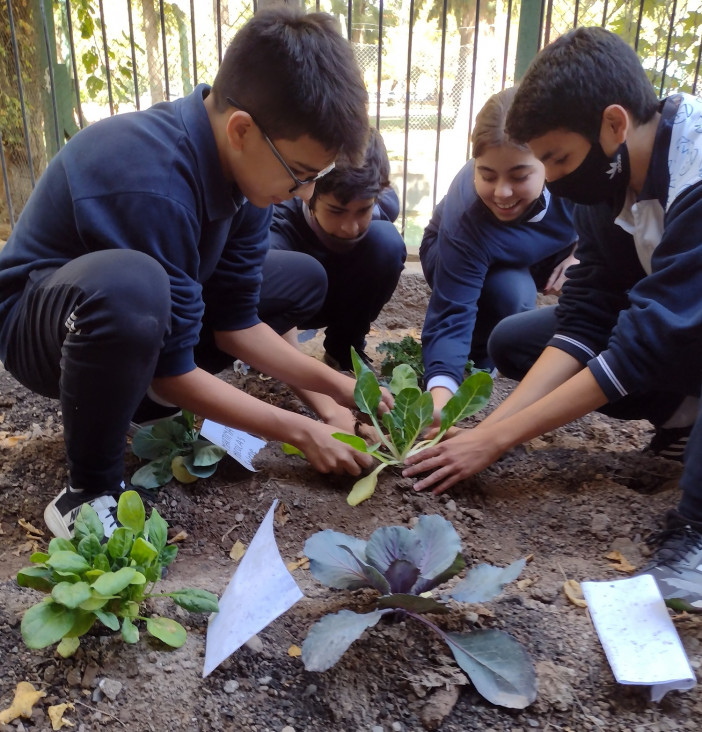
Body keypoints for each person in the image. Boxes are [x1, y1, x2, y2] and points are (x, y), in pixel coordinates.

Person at [0, 8, 385, 540]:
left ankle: (136, 395)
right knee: (135, 289)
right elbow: (169, 370)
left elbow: (235, 322)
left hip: (135, 309)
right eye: (300, 174)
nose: (303, 194)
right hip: (43, 325)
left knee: (301, 277)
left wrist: (343, 389)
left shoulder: (245, 170)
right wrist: (301, 431)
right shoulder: (148, 177)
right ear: (242, 129)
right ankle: (88, 493)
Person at [403, 27, 702, 608]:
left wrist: (500, 437)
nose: (551, 177)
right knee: (516, 341)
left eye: (556, 159)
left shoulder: (695, 172)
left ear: (614, 125)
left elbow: (648, 340)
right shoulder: (604, 187)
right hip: (680, 333)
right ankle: (685, 415)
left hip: (685, 329)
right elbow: (588, 316)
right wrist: (490, 432)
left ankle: (695, 537)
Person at [419, 87, 577, 412]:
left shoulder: (575, 180)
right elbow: (451, 311)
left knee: (587, 279)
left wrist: (581, 252)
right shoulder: (467, 213)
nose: (502, 192)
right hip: (460, 255)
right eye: (487, 175)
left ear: (549, 163)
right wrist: (441, 396)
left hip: (541, 251)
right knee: (511, 293)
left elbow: (611, 222)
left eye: (519, 176)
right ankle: (479, 358)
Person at [257, 127, 406, 373]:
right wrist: (297, 369)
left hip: (341, 299)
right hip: (293, 303)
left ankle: (344, 350)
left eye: (362, 211)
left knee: (387, 242)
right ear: (308, 195)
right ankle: (266, 352)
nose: (350, 227)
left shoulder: (384, 203)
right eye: (336, 211)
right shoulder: (278, 220)